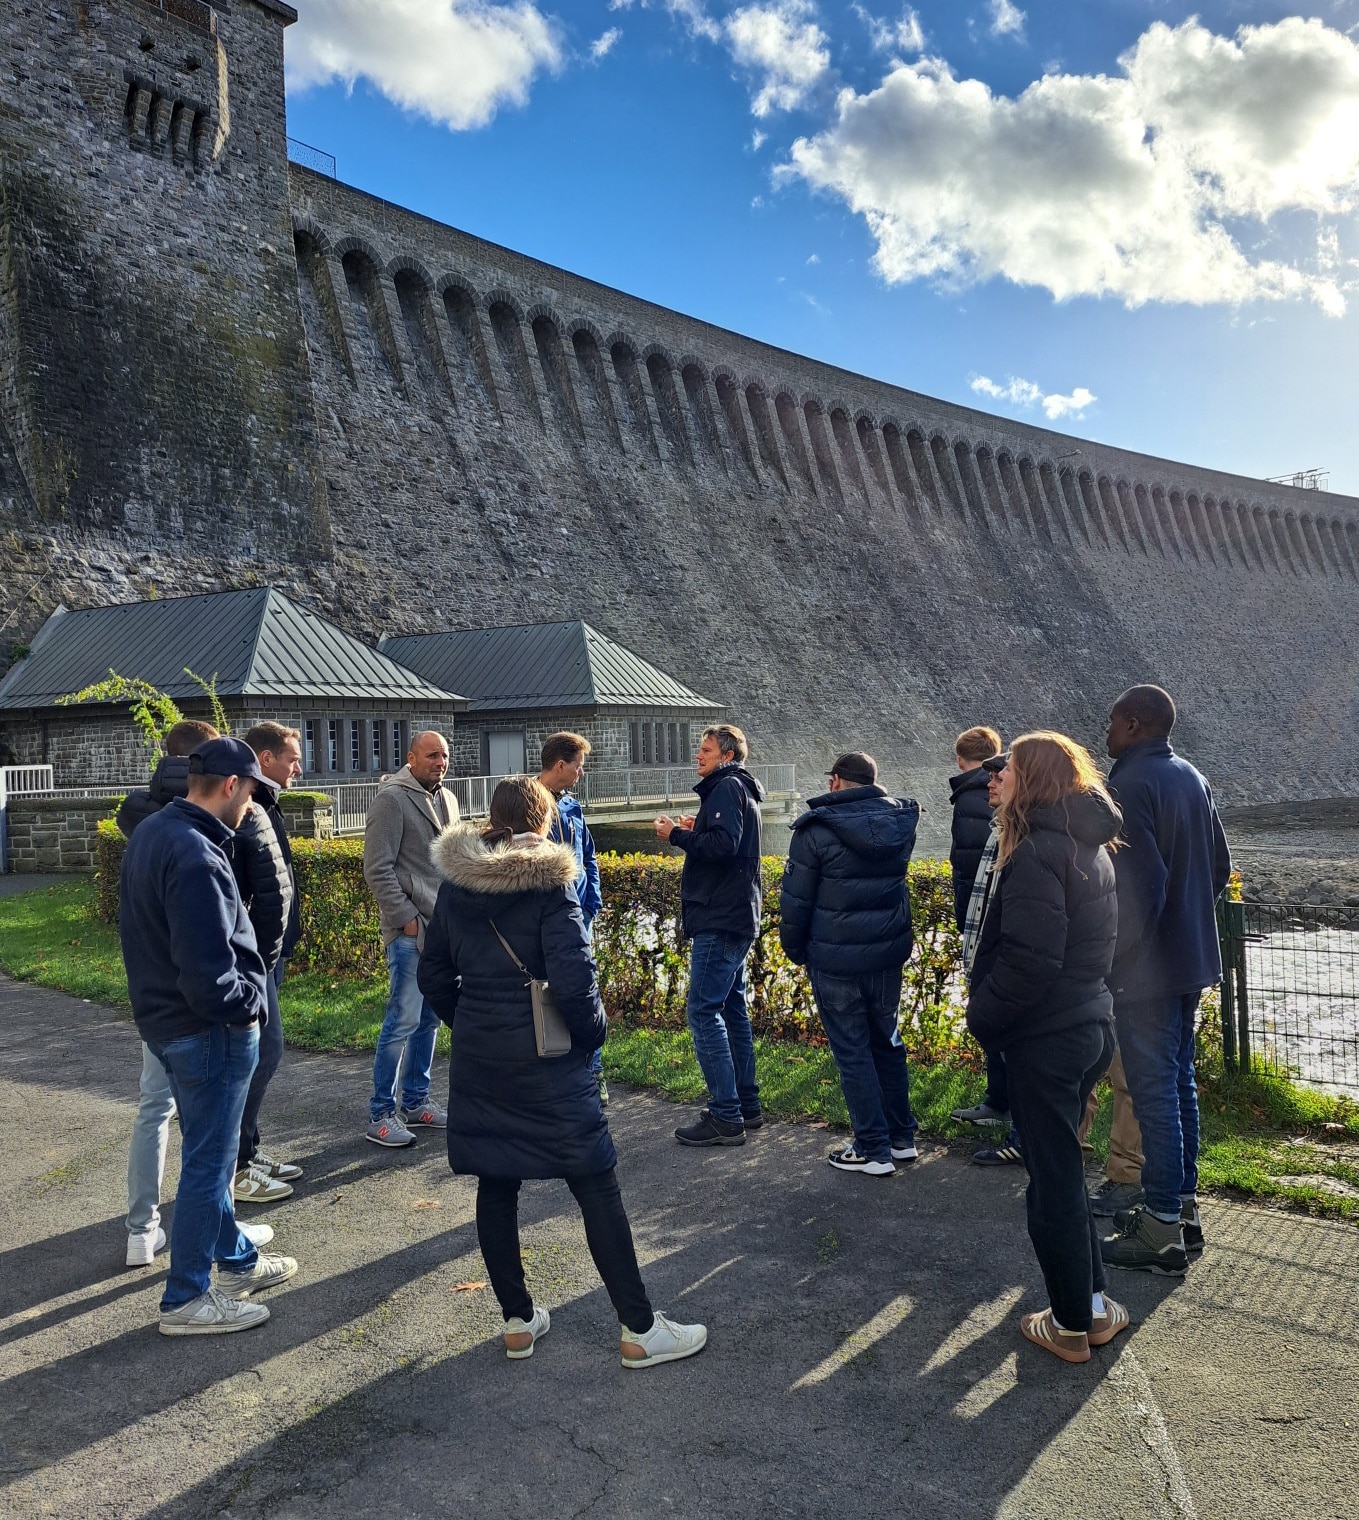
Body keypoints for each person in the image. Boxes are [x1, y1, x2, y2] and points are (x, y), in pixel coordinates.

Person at [418, 777, 707, 1368]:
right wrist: (591, 1036)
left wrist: (472, 1025)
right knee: (595, 1181)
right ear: (545, 822)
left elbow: (433, 978)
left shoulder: (455, 884)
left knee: (496, 1181)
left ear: (491, 821)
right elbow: (575, 983)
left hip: (482, 1059)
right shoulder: (553, 884)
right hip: (550, 1059)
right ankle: (639, 1328)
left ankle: (518, 1321)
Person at [119, 737, 298, 1334]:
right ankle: (187, 1299)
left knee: (205, 1151)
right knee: (209, 1163)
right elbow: (208, 970)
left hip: (168, 1024)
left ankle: (237, 1257)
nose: (252, 807)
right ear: (230, 786)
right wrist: (247, 1006)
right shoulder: (197, 853)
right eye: (251, 793)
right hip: (207, 1029)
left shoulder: (155, 832)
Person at [966, 731, 1129, 1365]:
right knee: (1064, 1174)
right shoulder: (1090, 844)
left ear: (1030, 779)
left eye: (1006, 771)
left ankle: (1067, 1325)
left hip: (1048, 1038)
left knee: (1053, 1184)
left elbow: (1031, 962)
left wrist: (983, 1019)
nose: (995, 778)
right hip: (1087, 1025)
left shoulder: (1037, 852)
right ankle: (1090, 1308)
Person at [1099, 686, 1231, 1275]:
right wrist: (1188, 921)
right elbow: (1220, 867)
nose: (1106, 734)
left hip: (1146, 971)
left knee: (1154, 1092)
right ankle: (1181, 1212)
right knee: (1180, 1086)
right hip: (1191, 960)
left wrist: (1118, 960)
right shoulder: (1192, 777)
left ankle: (1158, 1231)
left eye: (1111, 723)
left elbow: (1137, 889)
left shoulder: (1127, 784)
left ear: (1133, 723)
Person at [779, 752, 920, 1177]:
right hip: (885, 954)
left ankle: (871, 1148)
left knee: (852, 1050)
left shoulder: (816, 829)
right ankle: (901, 1139)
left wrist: (795, 950)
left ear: (837, 782)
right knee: (887, 1042)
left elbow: (796, 901)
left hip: (835, 955)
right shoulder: (899, 822)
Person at [653, 725, 766, 1147]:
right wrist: (696, 830)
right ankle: (745, 1106)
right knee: (732, 1008)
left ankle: (724, 1115)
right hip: (738, 915)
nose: (697, 756)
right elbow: (724, 841)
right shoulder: (742, 788)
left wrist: (676, 835)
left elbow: (721, 847)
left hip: (719, 918)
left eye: (704, 750)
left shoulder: (724, 787)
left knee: (703, 1011)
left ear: (727, 755)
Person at [362, 730, 460, 1147]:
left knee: (429, 1020)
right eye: (432, 755)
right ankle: (381, 1114)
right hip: (411, 931)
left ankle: (417, 1101)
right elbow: (377, 868)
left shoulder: (448, 798)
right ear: (411, 759)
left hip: (443, 930)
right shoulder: (392, 800)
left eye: (445, 755)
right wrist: (406, 921)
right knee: (402, 1019)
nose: (440, 762)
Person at [232, 721, 307, 1201]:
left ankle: (249, 1150)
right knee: (262, 1052)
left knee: (264, 1052)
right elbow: (252, 886)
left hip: (267, 953)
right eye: (291, 758)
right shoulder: (245, 806)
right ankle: (237, 1164)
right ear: (264, 759)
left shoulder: (264, 801)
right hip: (254, 956)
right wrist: (260, 953)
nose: (298, 766)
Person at [951, 751, 1026, 1168]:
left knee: (1020, 1051)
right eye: (988, 773)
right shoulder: (1003, 827)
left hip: (1005, 965)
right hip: (991, 960)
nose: (989, 782)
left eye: (999, 774)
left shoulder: (1026, 836)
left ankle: (1024, 1138)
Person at [539, 731, 606, 1103]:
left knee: (585, 994)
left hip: (581, 916)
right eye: (579, 766)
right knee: (549, 996)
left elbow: (589, 856)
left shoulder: (572, 806)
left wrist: (592, 901)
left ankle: (592, 1073)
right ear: (561, 765)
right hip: (547, 919)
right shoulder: (529, 803)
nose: (582, 772)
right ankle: (555, 1073)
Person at [949, 726, 1002, 929]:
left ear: (960, 761)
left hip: (980, 911)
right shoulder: (1008, 790)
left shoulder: (966, 798)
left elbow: (968, 862)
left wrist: (966, 917)